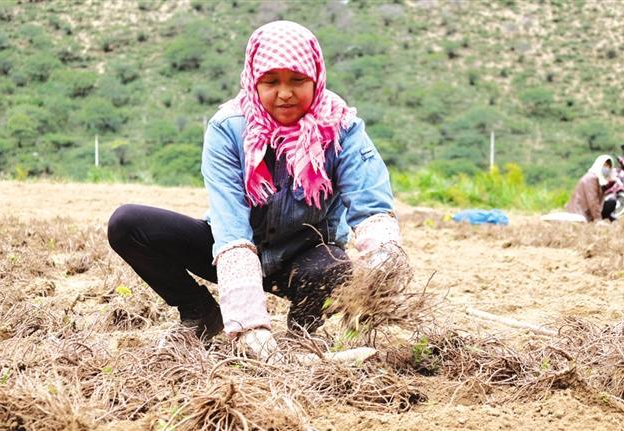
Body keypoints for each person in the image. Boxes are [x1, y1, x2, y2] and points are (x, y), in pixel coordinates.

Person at [107, 21, 402, 359]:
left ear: (316, 78)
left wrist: (383, 272)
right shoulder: (227, 128)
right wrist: (250, 327)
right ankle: (199, 312)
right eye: (271, 82)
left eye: (297, 80)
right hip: (231, 251)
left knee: (336, 267)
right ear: (253, 81)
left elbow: (371, 209)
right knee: (127, 224)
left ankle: (303, 333)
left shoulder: (343, 128)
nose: (285, 93)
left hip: (303, 258)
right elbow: (231, 228)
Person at [565, 154, 616, 222]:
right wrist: (598, 219)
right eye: (605, 165)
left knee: (611, 202)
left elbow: (600, 196)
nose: (607, 168)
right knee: (611, 202)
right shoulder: (591, 178)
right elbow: (593, 200)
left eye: (609, 166)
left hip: (587, 209)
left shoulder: (598, 178)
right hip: (580, 211)